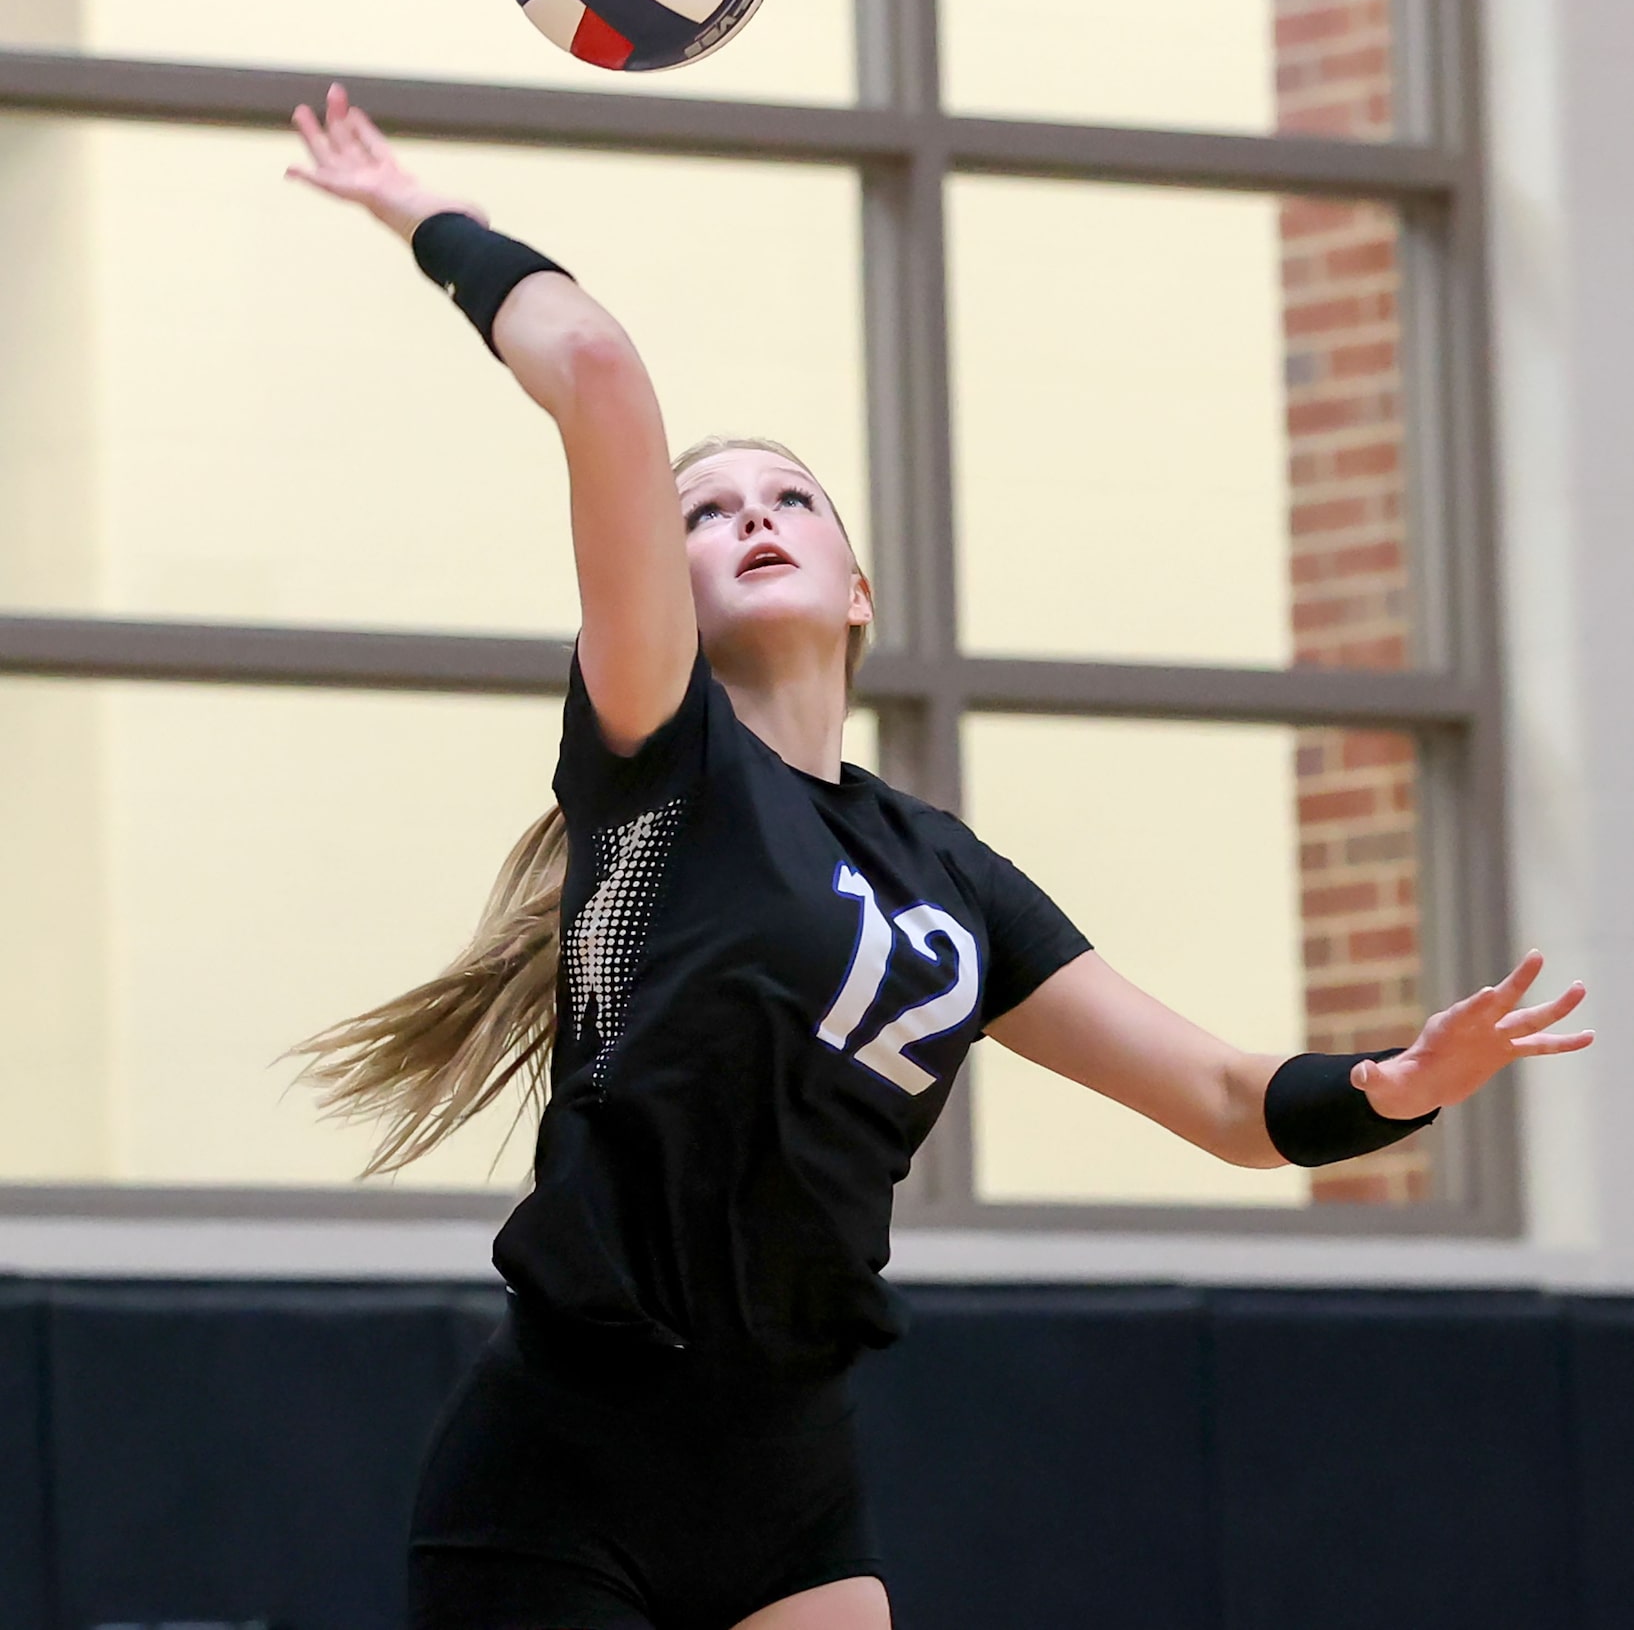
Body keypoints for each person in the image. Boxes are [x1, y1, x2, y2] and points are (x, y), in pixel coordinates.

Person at [285, 83, 1594, 1630]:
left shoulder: (947, 879)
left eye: (790, 499)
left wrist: (1387, 1085)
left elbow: (1227, 1102)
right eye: (704, 511)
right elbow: (597, 373)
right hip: (561, 1473)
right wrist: (416, 214)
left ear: (857, 587)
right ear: (665, 583)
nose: (750, 516)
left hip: (788, 1482)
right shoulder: (657, 768)